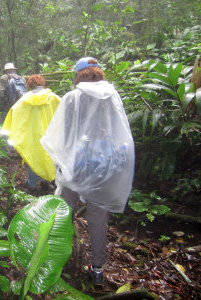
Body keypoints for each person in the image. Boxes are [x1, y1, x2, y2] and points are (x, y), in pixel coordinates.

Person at [40, 57, 135, 287]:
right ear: (98, 73)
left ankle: (56, 260)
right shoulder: (112, 96)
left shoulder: (73, 97)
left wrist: (61, 163)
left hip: (78, 164)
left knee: (64, 210)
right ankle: (98, 269)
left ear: (78, 75)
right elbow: (119, 131)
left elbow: (63, 133)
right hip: (105, 165)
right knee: (98, 219)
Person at [1, 74, 61, 192]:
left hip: (31, 136)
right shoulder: (53, 98)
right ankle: (45, 182)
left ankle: (32, 185)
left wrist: (10, 132)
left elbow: (14, 114)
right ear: (43, 83)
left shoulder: (24, 100)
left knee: (32, 158)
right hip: (49, 136)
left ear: (29, 85)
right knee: (46, 157)